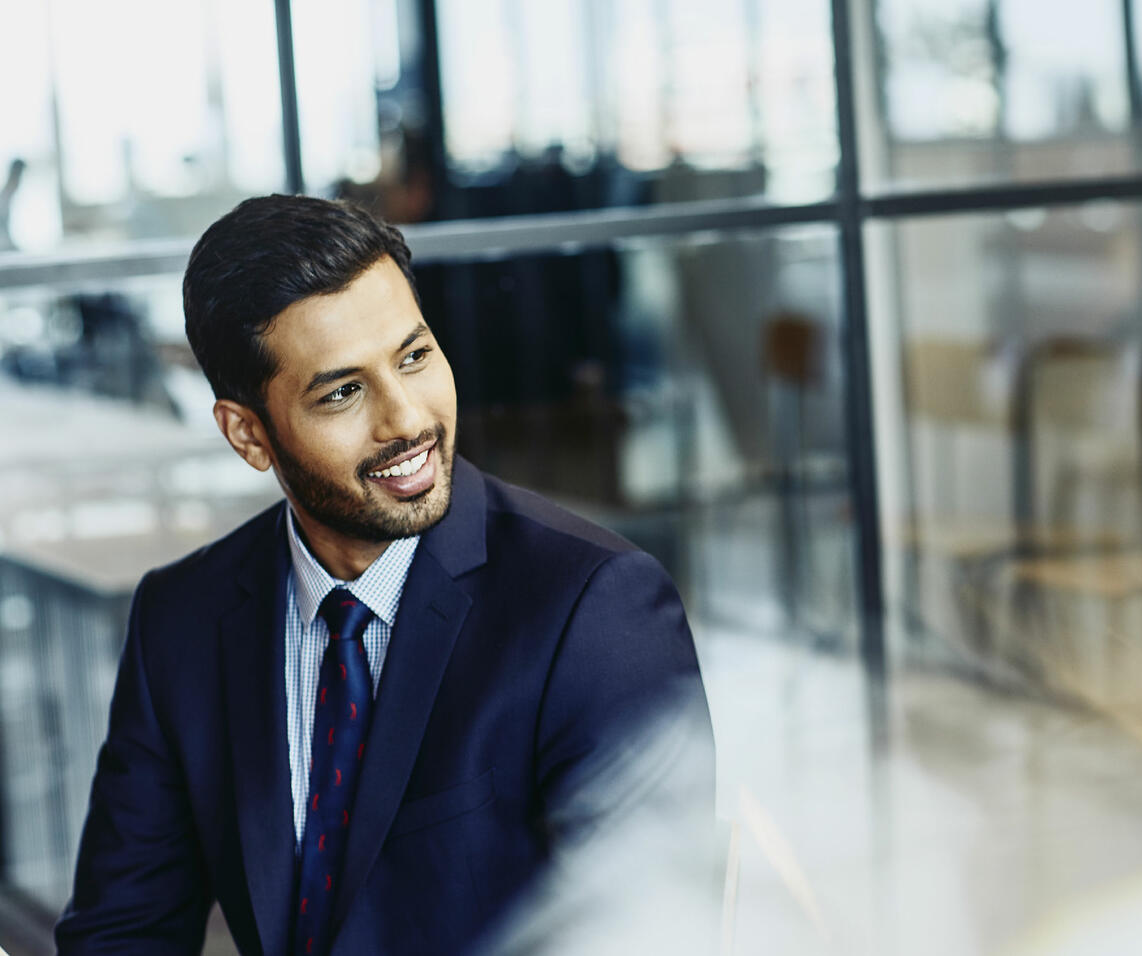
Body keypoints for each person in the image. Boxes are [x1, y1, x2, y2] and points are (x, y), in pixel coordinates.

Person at [55, 195, 715, 955]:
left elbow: (644, 936)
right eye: (342, 391)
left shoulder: (593, 607)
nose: (406, 419)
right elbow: (122, 932)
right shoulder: (183, 618)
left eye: (413, 356)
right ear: (247, 434)